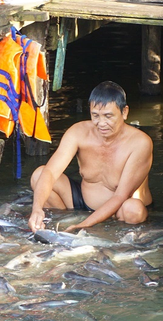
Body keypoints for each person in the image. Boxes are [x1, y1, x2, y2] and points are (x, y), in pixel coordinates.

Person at [28, 81, 153, 233]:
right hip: (82, 204)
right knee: (39, 175)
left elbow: (121, 196)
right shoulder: (79, 132)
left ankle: (105, 233)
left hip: (119, 211)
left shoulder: (140, 142)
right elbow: (50, 172)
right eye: (95, 116)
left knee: (133, 209)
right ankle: (61, 221)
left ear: (124, 112)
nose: (101, 123)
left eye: (108, 116)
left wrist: (83, 226)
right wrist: (37, 209)